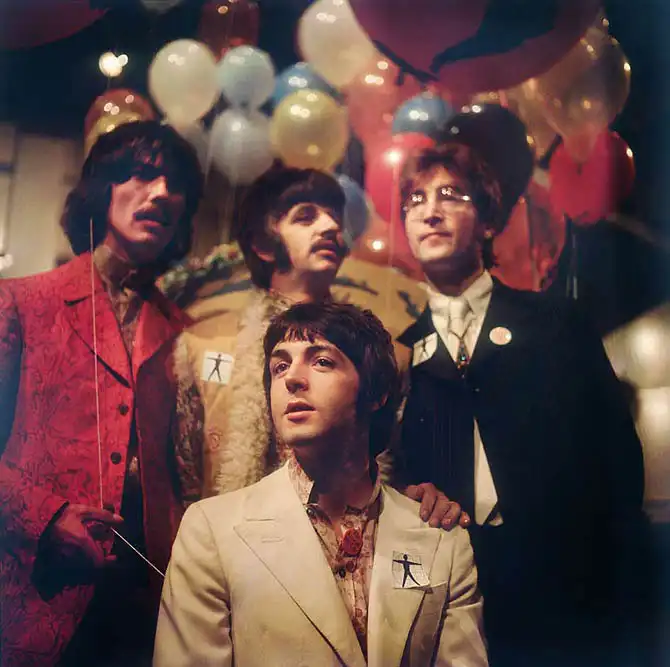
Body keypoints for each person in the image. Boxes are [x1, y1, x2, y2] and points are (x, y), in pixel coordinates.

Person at [393, 135, 648, 667]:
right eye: (415, 200)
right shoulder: (399, 354)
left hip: (570, 587)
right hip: (457, 595)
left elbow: (616, 456)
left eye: (450, 195)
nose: (430, 212)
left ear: (488, 222)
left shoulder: (555, 322)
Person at [154, 302, 488, 667]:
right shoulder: (212, 531)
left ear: (376, 392)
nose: (292, 379)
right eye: (279, 366)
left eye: (322, 361)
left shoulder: (440, 538)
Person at [0, 120, 205, 667]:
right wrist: (46, 517)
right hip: (31, 592)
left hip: (143, 606)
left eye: (176, 184)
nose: (160, 193)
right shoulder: (23, 303)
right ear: (102, 188)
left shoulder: (183, 332)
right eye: (141, 174)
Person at [179, 165, 465, 529]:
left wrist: (423, 496)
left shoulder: (383, 351)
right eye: (306, 216)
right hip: (234, 541)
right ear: (263, 244)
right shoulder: (203, 346)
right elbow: (182, 481)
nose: (330, 226)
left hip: (354, 541)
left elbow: (403, 466)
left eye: (334, 217)